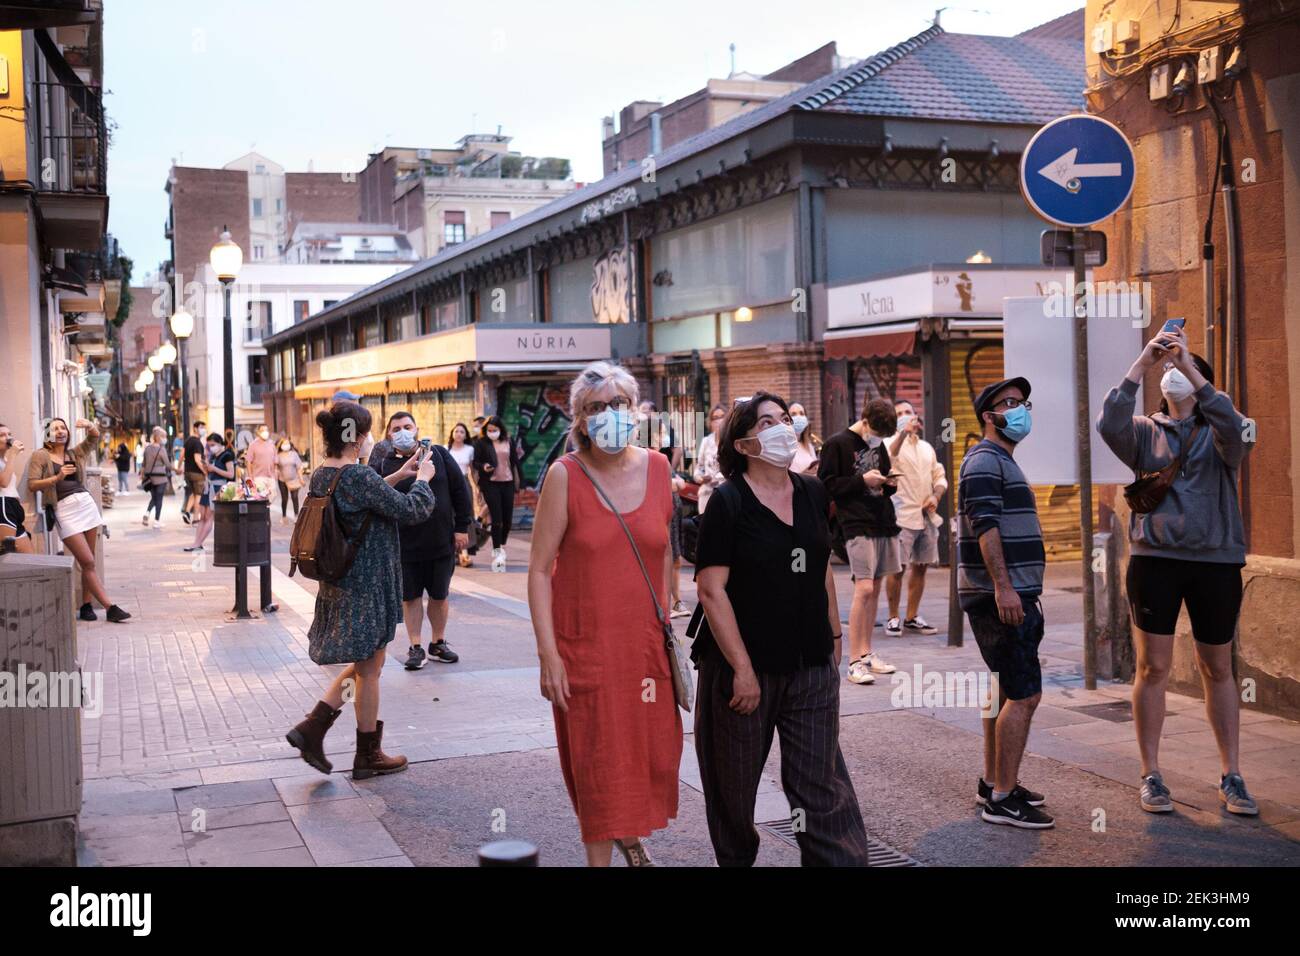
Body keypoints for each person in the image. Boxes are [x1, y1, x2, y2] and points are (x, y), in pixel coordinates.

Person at [693, 392, 870, 866]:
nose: (783, 427)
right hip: (741, 670)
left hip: (809, 663)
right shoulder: (727, 503)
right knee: (732, 788)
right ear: (746, 443)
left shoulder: (813, 492)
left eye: (785, 417)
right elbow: (711, 591)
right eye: (767, 421)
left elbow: (819, 571)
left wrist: (834, 640)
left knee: (821, 783)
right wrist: (743, 670)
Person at [1098, 324, 1258, 816]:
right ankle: (1152, 774)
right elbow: (1109, 424)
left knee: (1217, 667)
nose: (1172, 372)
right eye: (1169, 367)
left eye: (1180, 368)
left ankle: (1231, 775)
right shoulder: (1146, 432)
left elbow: (1237, 429)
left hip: (1215, 561)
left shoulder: (1223, 434)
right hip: (1156, 561)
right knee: (1154, 667)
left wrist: (1191, 365)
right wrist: (1142, 364)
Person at [527, 361, 682, 866]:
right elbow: (537, 570)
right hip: (585, 650)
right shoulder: (564, 476)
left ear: (634, 410)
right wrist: (548, 654)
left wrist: (667, 612)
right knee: (598, 768)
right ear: (580, 419)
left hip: (642, 651)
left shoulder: (660, 469)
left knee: (644, 758)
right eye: (597, 407)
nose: (610, 414)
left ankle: (628, 834)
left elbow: (661, 548)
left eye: (619, 404)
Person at [285, 401, 436, 780]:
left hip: (340, 581)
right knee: (370, 668)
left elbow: (359, 501)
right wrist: (422, 481)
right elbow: (411, 511)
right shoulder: (359, 476)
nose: (370, 439)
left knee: (368, 664)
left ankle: (314, 726)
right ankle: (367, 753)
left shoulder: (324, 474)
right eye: (366, 433)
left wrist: (399, 474)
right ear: (357, 437)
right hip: (366, 584)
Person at [958, 376, 1052, 829]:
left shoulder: (999, 460)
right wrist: (1004, 587)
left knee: (1002, 688)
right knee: (1025, 694)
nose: (1018, 410)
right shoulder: (983, 461)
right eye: (1008, 403)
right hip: (1001, 596)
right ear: (988, 416)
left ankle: (996, 781)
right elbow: (985, 525)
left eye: (1022, 402)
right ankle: (1001, 799)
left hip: (1013, 593)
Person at [374, 412, 472, 670]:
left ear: (417, 429)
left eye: (407, 426)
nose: (403, 432)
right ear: (389, 435)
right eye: (397, 429)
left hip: (440, 541)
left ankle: (438, 643)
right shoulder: (385, 464)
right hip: (404, 545)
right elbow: (375, 499)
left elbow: (460, 490)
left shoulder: (437, 454)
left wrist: (462, 527)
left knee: (440, 595)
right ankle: (416, 646)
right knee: (411, 597)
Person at [818, 397, 900, 685]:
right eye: (876, 432)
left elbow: (886, 475)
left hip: (882, 520)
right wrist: (862, 481)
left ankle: (866, 653)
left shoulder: (879, 444)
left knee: (875, 586)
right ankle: (854, 660)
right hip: (854, 522)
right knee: (864, 587)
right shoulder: (838, 443)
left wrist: (889, 483)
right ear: (865, 421)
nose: (878, 439)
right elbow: (826, 485)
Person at [26, 418, 130, 623]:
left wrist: (90, 425)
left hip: (85, 505)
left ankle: (86, 605)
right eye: (55, 428)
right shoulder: (41, 455)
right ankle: (110, 607)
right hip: (64, 510)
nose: (60, 431)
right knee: (88, 561)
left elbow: (93, 438)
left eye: (63, 428)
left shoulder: (74, 453)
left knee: (88, 559)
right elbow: (32, 484)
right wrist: (57, 478)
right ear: (47, 433)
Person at [884, 400, 947, 637]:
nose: (904, 416)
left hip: (926, 517)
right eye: (899, 414)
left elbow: (939, 476)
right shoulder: (889, 443)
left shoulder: (927, 448)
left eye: (907, 412)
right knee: (897, 569)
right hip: (901, 517)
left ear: (916, 417)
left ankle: (912, 616)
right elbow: (889, 458)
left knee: (920, 567)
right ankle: (892, 617)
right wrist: (901, 433)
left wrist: (936, 496)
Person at [639, 400, 689, 617]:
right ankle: (665, 602)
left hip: (669, 510)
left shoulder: (658, 458)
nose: (663, 438)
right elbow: (672, 484)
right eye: (659, 433)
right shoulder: (648, 458)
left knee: (672, 556)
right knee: (664, 556)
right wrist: (675, 483)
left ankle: (672, 601)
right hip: (657, 512)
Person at [473, 415, 522, 573]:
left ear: (500, 429)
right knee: (497, 520)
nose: (491, 432)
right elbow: (476, 462)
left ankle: (500, 542)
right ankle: (498, 554)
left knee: (507, 521)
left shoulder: (509, 441)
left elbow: (515, 461)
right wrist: (484, 466)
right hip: (490, 484)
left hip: (507, 483)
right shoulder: (481, 443)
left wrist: (521, 481)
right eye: (489, 430)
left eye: (494, 430)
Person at [185, 433, 235, 553]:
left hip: (218, 488)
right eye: (209, 445)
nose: (211, 447)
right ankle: (196, 543)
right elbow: (210, 471)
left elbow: (231, 474)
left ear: (219, 443)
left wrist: (214, 468)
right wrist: (207, 467)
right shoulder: (213, 456)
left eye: (213, 444)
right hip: (208, 486)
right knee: (202, 516)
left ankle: (198, 543)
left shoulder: (227, 455)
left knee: (209, 517)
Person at [446, 422, 477, 567]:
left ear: (466, 435)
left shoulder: (470, 449)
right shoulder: (446, 449)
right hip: (448, 485)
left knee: (465, 515)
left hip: (464, 484)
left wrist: (478, 488)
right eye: (456, 431)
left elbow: (473, 471)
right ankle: (453, 552)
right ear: (452, 433)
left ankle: (464, 552)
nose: (459, 434)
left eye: (462, 432)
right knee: (449, 516)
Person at [0, 424, 34, 554]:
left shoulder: (5, 460)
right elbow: (3, 482)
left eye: (9, 434)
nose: (7, 438)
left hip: (13, 508)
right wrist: (13, 454)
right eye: (2, 435)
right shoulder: (9, 459)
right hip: (3, 507)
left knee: (29, 558)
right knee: (7, 557)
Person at [692, 404, 727, 515]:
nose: (719, 421)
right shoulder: (706, 441)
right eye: (715, 418)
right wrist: (700, 477)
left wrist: (716, 478)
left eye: (722, 416)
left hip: (726, 493)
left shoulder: (731, 441)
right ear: (710, 422)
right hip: (707, 494)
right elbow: (699, 467)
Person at [139, 427, 172, 529]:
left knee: (154, 497)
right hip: (160, 478)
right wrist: (177, 470)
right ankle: (157, 521)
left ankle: (147, 513)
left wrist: (142, 476)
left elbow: (144, 464)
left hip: (150, 478)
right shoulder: (161, 449)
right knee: (159, 499)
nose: (165, 439)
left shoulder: (147, 449)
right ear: (159, 437)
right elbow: (167, 464)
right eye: (164, 436)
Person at [180, 421, 206, 524]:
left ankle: (186, 512)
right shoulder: (197, 442)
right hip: (197, 473)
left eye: (204, 427)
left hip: (188, 472)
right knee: (198, 495)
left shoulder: (188, 440)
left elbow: (182, 455)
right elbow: (197, 459)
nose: (203, 429)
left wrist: (178, 468)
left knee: (194, 493)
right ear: (195, 428)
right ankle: (195, 518)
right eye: (201, 427)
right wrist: (205, 471)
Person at [276, 438, 305, 524]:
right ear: (281, 445)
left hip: (294, 479)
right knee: (284, 498)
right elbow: (275, 467)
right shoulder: (278, 455)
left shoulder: (294, 454)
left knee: (295, 497)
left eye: (287, 443)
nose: (286, 445)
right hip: (282, 480)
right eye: (284, 443)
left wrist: (301, 479)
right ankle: (284, 516)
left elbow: (299, 467)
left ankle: (296, 516)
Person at [788, 401, 821, 475]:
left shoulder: (808, 446)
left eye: (802, 414)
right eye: (793, 414)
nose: (798, 417)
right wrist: (804, 474)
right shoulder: (784, 446)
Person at [246, 424, 278, 493]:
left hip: (271, 477)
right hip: (258, 477)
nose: (265, 432)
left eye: (266, 430)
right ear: (258, 432)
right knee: (261, 498)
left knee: (272, 496)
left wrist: (275, 472)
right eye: (262, 430)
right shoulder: (253, 445)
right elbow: (248, 461)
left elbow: (275, 459)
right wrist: (250, 476)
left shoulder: (272, 444)